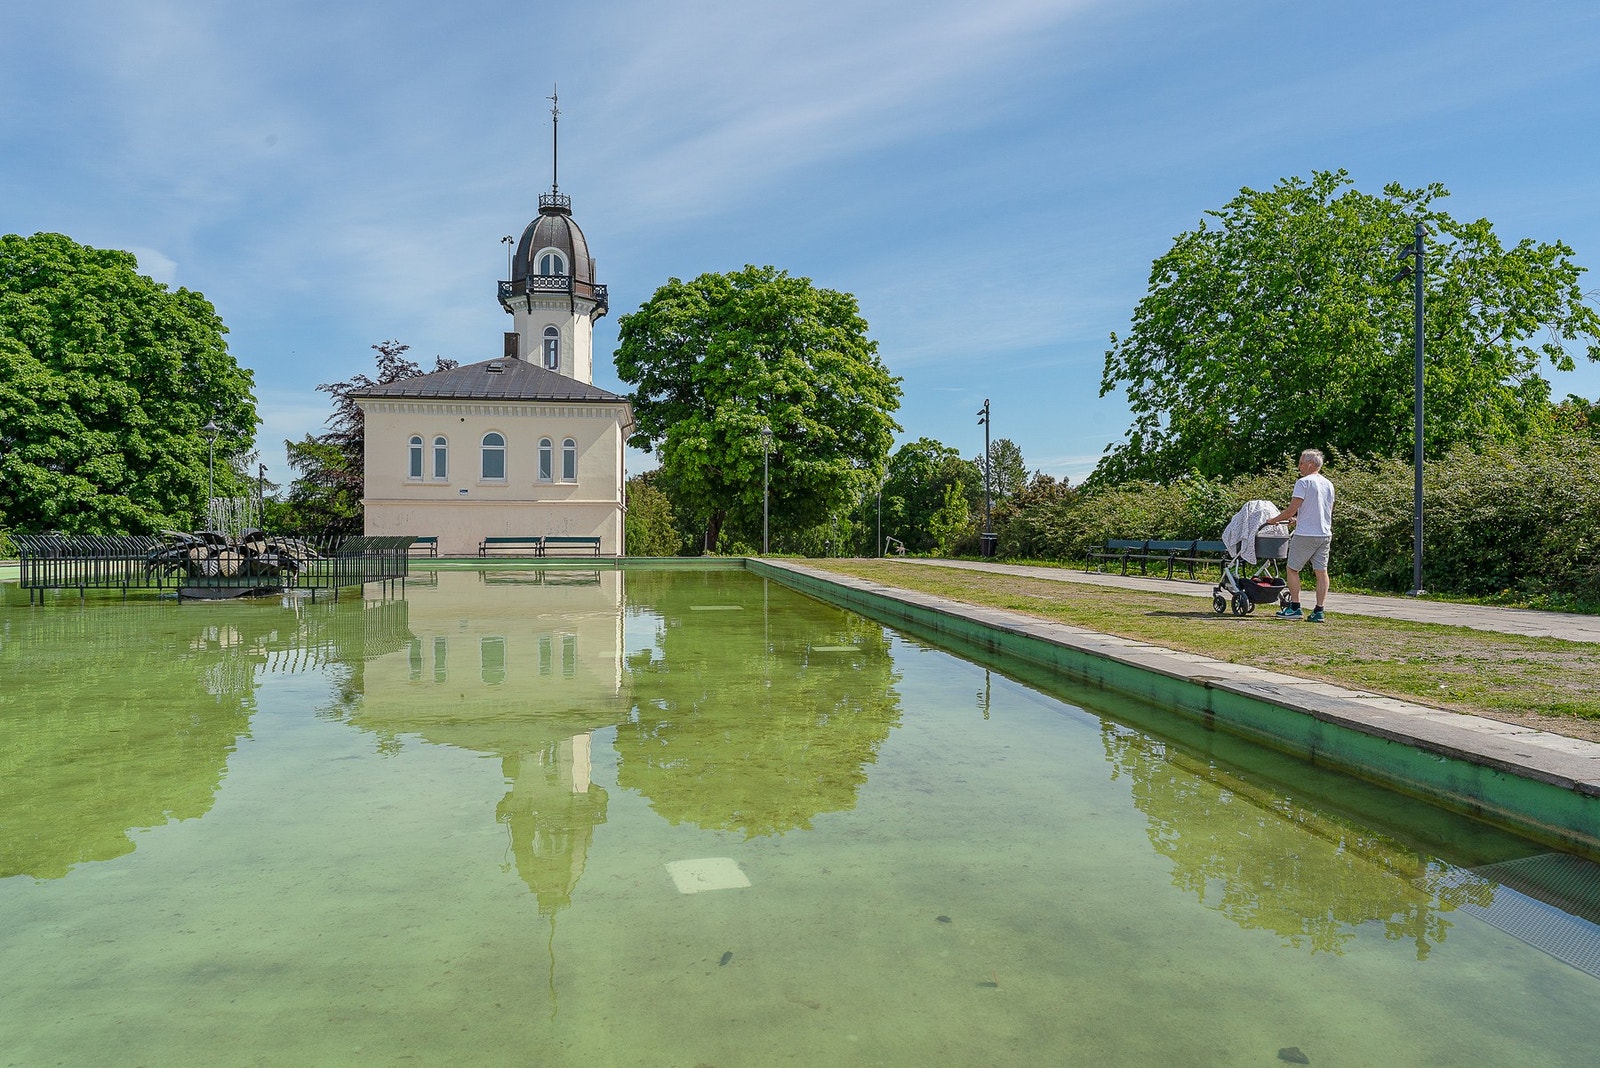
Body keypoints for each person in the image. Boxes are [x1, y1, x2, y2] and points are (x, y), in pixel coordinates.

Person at [1264, 449, 1334, 622]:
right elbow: (1320, 510)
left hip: (1305, 535)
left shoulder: (1303, 483)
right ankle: (1319, 611)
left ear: (1310, 464)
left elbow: (1290, 510)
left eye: (1301, 463)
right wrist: (1299, 519)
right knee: (1321, 572)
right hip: (1324, 534)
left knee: (1292, 569)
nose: (1299, 466)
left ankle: (1295, 607)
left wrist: (1273, 520)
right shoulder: (1328, 484)